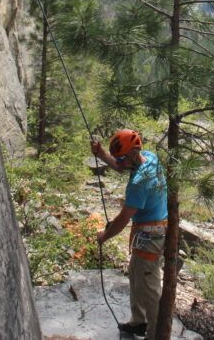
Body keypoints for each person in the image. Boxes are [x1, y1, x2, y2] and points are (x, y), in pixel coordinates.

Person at [91, 129, 168, 339]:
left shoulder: (139, 183)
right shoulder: (150, 157)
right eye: (118, 159)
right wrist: (101, 154)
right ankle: (138, 321)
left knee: (150, 288)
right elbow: (119, 166)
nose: (120, 163)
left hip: (151, 235)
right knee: (136, 273)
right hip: (148, 231)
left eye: (122, 159)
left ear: (133, 154)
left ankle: (155, 334)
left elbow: (123, 218)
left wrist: (104, 237)